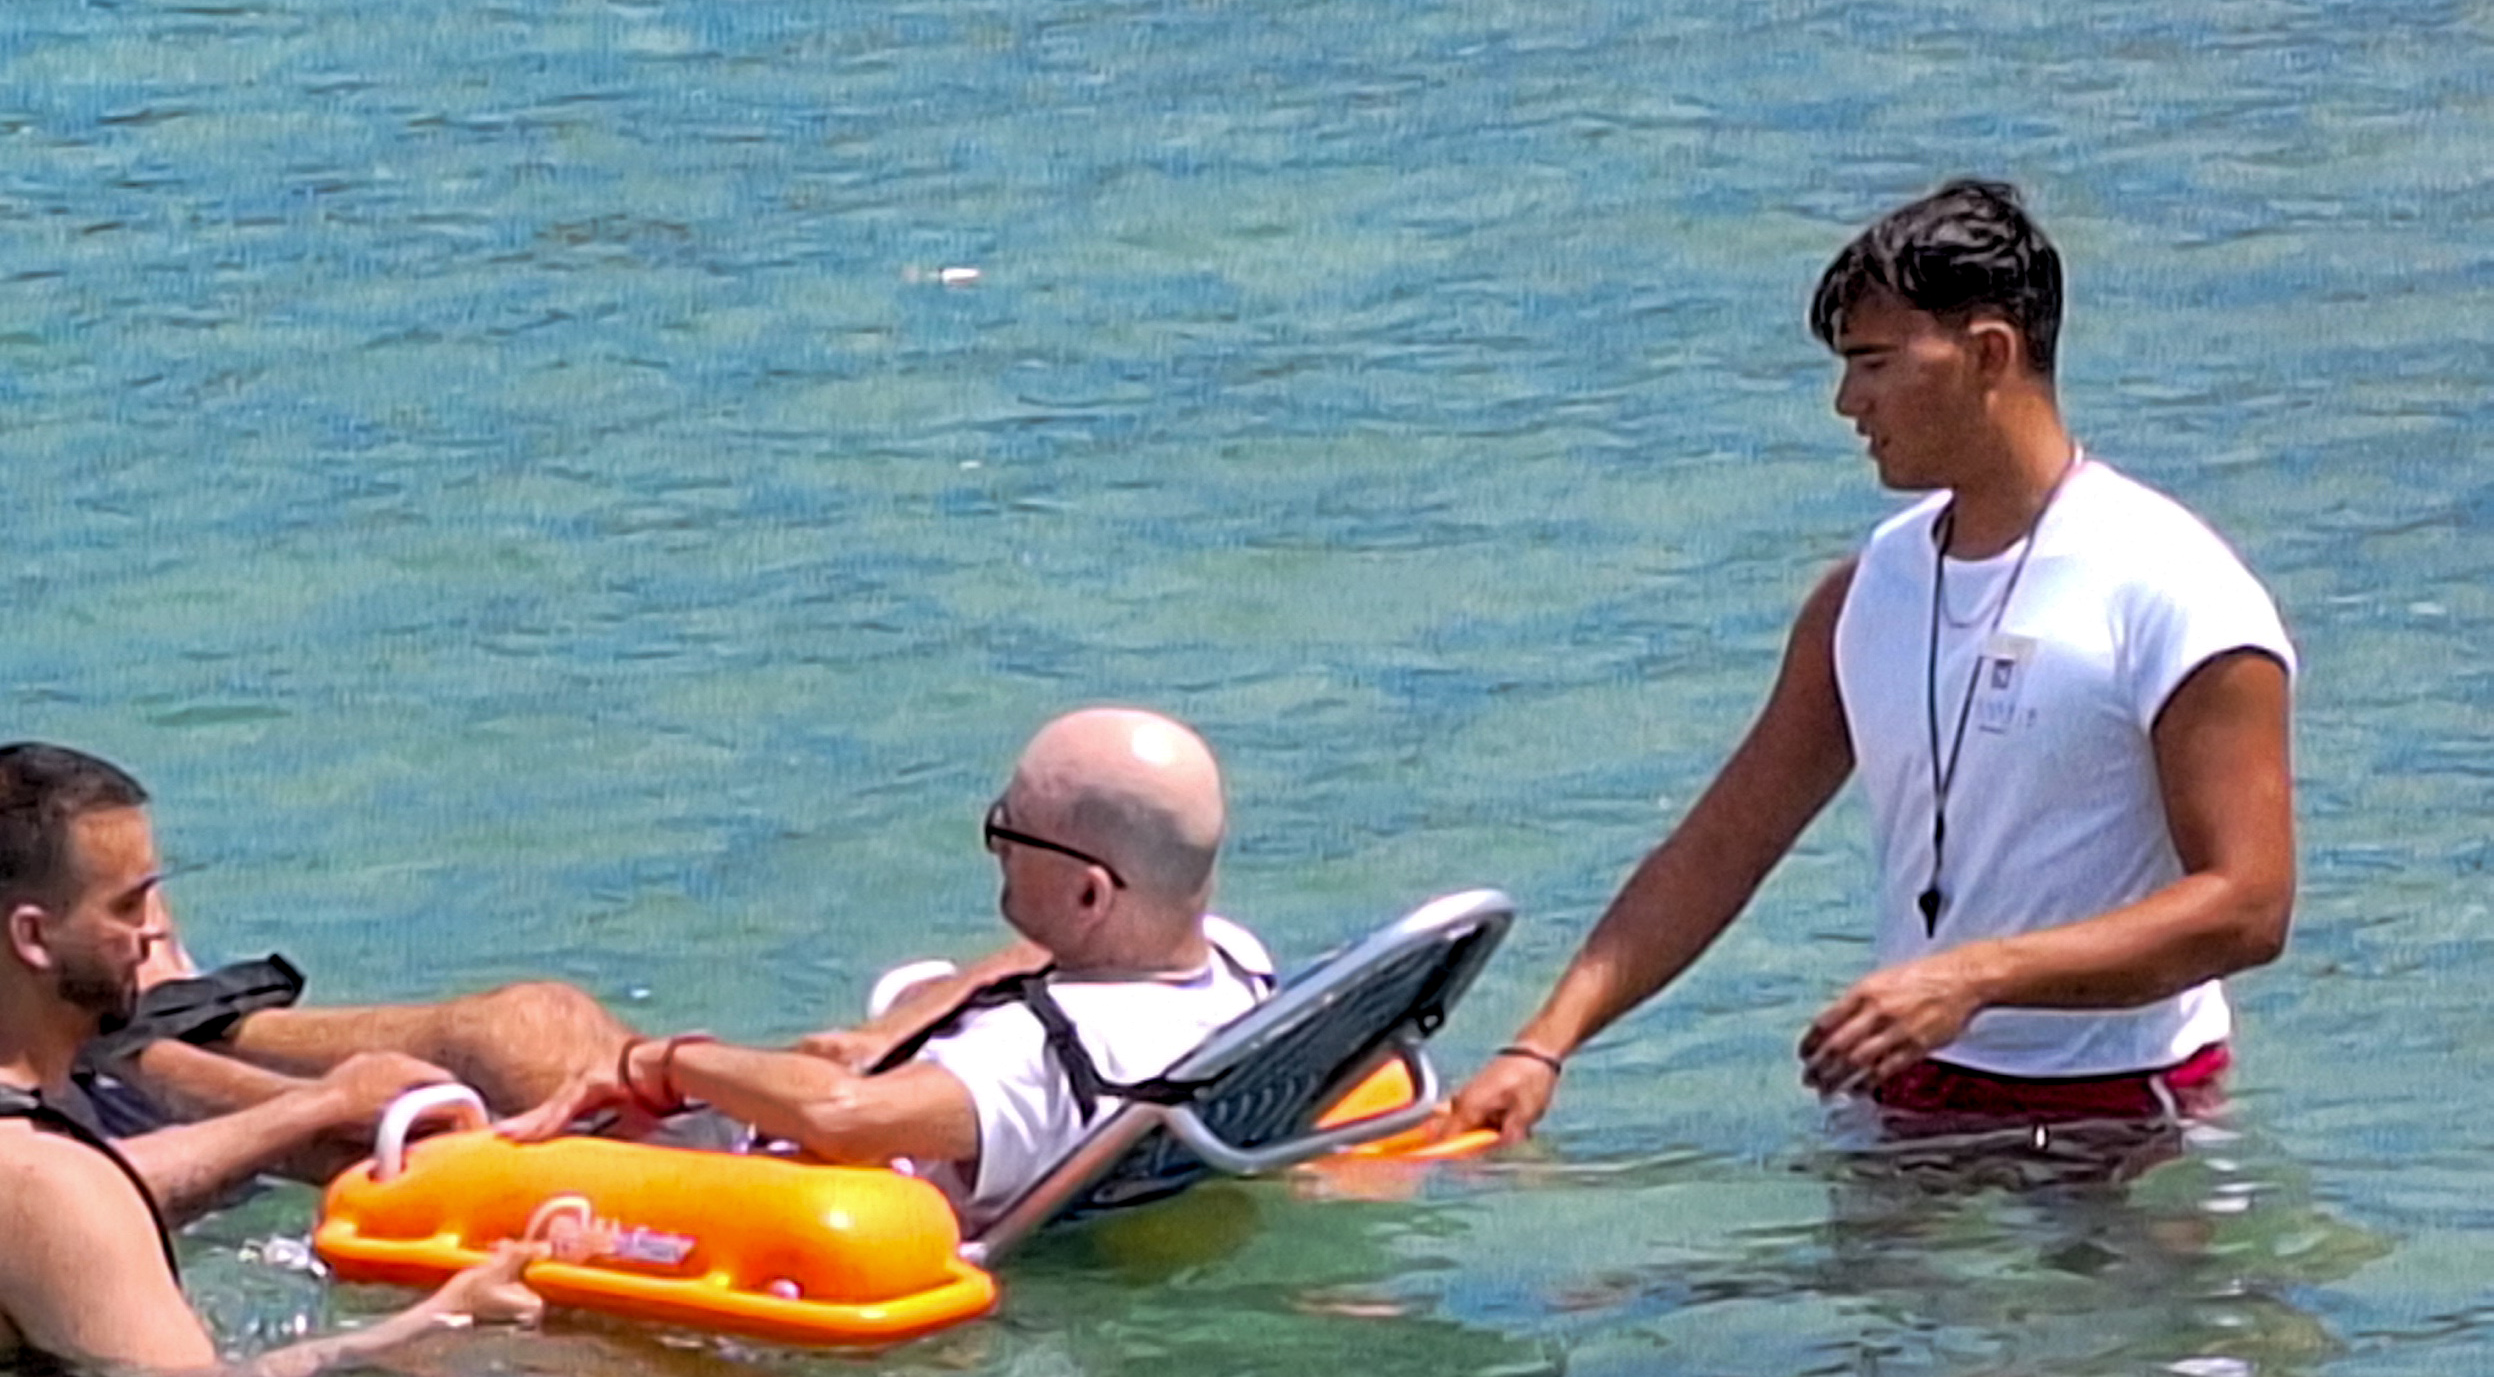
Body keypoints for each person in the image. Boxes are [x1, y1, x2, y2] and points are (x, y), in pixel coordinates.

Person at [1447, 178, 2296, 1148]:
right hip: (1907, 1096)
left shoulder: (2174, 588)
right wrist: (1543, 1045)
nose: (1848, 401)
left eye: (1874, 363)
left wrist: (1974, 976)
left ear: (1989, 354)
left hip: (2130, 1116)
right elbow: (1722, 845)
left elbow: (2248, 904)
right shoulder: (1866, 593)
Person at [0, 743, 544, 1374]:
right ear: (33, 938)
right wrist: (446, 1318)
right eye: (129, 906)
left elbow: (113, 1186)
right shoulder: (41, 1189)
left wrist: (317, 1105)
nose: (153, 931)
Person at [505, 707, 1274, 1231]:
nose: (999, 846)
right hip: (870, 1096)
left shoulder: (1027, 1067)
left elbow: (840, 1116)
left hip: (716, 1172)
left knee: (528, 1027)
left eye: (1011, 833)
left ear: (1088, 892)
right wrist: (895, 1029)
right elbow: (1039, 955)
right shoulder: (1234, 966)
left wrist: (666, 1063)